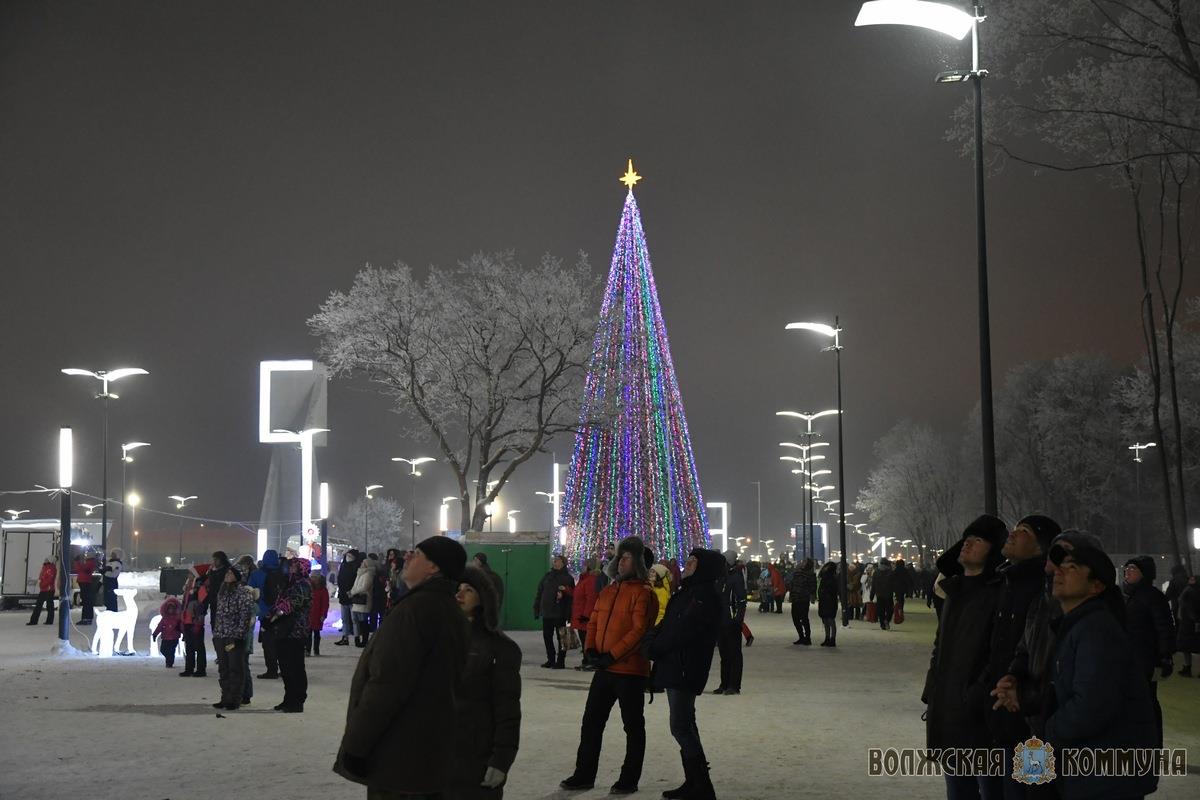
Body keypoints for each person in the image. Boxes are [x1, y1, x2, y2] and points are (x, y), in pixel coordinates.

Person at [333, 536, 470, 798]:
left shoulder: (415, 610)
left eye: (416, 554)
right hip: (426, 750)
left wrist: (356, 745)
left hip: (398, 753)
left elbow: (387, 684)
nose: (407, 557)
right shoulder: (446, 608)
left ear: (434, 567)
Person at [1043, 539, 1159, 800]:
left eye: (1071, 567)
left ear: (1096, 586)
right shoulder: (1077, 625)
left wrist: (1046, 731)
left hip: (1105, 774)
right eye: (1059, 565)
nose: (1058, 571)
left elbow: (1090, 706)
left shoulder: (1096, 630)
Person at [559, 536, 657, 794]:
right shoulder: (609, 590)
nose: (620, 562)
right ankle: (584, 774)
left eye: (626, 558)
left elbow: (637, 632)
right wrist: (590, 649)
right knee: (591, 722)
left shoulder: (643, 594)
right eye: (619, 557)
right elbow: (594, 621)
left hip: (629, 671)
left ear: (637, 563)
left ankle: (629, 778)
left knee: (633, 726)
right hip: (604, 669)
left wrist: (612, 655)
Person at [921, 514, 1006, 799]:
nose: (967, 544)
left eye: (977, 540)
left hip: (978, 711)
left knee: (991, 789)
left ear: (993, 550)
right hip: (949, 706)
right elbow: (940, 646)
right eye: (966, 538)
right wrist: (933, 686)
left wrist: (975, 693)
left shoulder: (998, 594)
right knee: (958, 790)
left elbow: (998, 652)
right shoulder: (954, 592)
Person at [979, 514, 1059, 799]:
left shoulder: (1045, 592)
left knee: (1030, 790)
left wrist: (1020, 691)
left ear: (1041, 547)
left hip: (1031, 721)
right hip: (1004, 711)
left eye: (1023, 531)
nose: (1012, 534)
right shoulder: (1007, 582)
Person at [647, 548, 725, 800]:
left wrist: (654, 647)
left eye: (693, 561)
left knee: (680, 726)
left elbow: (682, 630)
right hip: (677, 665)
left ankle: (701, 785)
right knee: (686, 724)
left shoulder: (703, 597)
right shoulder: (689, 592)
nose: (688, 564)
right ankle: (694, 781)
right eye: (689, 560)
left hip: (685, 667)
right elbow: (670, 623)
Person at [447, 566, 522, 800]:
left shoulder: (501, 649)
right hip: (437, 752)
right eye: (458, 589)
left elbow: (507, 710)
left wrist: (501, 759)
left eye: (468, 590)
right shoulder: (441, 637)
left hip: (475, 755)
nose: (459, 595)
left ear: (486, 599)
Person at [1122, 555, 1175, 746]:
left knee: (1147, 700)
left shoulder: (1152, 597)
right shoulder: (1125, 596)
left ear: (1144, 574)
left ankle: (1151, 744)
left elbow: (1164, 627)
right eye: (1126, 568)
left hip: (1145, 659)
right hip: (1127, 659)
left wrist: (1165, 655)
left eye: (1133, 569)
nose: (1127, 572)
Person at [268, 557, 312, 712]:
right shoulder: (289, 583)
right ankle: (288, 699)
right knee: (286, 667)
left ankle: (297, 701)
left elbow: (291, 605)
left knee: (295, 667)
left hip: (296, 631)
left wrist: (276, 613)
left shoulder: (303, 585)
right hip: (284, 630)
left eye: (294, 565)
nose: (291, 567)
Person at [212, 564, 255, 710]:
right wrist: (216, 632)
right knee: (223, 669)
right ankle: (225, 697)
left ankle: (234, 699)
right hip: (220, 635)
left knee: (235, 669)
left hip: (234, 637)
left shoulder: (243, 593)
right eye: (227, 572)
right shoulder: (222, 591)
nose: (227, 575)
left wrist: (238, 635)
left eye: (230, 573)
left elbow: (245, 616)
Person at [712, 549, 746, 695]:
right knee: (724, 655)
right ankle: (724, 683)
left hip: (731, 623)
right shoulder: (721, 578)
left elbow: (742, 601)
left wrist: (737, 619)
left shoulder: (735, 578)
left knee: (734, 654)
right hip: (720, 621)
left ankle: (734, 685)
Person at [533, 554, 575, 669]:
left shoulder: (568, 578)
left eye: (557, 561)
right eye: (554, 561)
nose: (554, 562)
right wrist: (537, 608)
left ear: (563, 563)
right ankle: (550, 659)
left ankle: (561, 661)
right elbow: (540, 592)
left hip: (560, 612)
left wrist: (569, 614)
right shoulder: (547, 576)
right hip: (547, 612)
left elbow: (572, 596)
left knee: (562, 637)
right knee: (547, 636)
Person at [250, 549, 286, 678]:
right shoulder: (283, 573)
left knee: (268, 643)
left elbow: (251, 593)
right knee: (281, 643)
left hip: (265, 613)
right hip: (282, 614)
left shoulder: (256, 574)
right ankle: (284, 669)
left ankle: (271, 670)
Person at [572, 557, 604, 659]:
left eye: (585, 565)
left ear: (589, 567)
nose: (583, 567)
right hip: (581, 614)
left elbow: (591, 599)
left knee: (586, 639)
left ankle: (589, 661)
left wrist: (586, 615)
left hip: (584, 616)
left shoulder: (590, 580)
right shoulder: (584, 579)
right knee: (584, 638)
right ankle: (586, 660)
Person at [179, 567, 208, 677]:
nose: (188, 575)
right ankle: (189, 668)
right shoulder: (188, 587)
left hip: (195, 621)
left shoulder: (200, 588)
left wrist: (198, 622)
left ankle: (201, 669)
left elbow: (202, 606)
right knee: (189, 646)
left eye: (190, 573)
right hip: (187, 620)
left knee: (199, 646)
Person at [334, 549, 361, 646]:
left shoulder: (356, 567)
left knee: (354, 619)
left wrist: (351, 591)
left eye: (350, 556)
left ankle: (356, 637)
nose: (348, 557)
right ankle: (345, 637)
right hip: (344, 596)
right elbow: (340, 580)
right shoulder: (343, 566)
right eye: (347, 555)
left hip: (352, 596)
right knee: (345, 618)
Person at [788, 558, 816, 645]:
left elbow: (813, 587)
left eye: (804, 562)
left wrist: (812, 595)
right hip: (795, 598)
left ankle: (807, 638)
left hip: (803, 599)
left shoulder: (811, 574)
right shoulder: (797, 572)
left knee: (804, 619)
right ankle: (801, 636)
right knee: (795, 618)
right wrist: (791, 593)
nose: (802, 562)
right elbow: (792, 583)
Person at [350, 556, 376, 648]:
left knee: (363, 622)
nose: (361, 564)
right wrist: (352, 592)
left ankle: (364, 640)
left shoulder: (368, 574)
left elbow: (364, 587)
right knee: (357, 621)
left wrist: (353, 592)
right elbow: (355, 585)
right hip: (357, 600)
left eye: (363, 563)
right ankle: (358, 639)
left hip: (363, 600)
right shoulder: (360, 574)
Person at [1177, 574, 1200, 677]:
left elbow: (1189, 607)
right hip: (1191, 621)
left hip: (1188, 622)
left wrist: (1195, 620)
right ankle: (1187, 668)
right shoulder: (1193, 590)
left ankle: (1187, 667)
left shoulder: (1189, 591)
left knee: (1187, 646)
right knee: (1192, 646)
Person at [152, 596, 183, 668]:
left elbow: (181, 627)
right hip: (165, 637)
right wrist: (155, 634)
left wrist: (184, 634)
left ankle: (169, 663)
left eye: (172, 608)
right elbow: (159, 627)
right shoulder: (164, 618)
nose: (171, 610)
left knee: (171, 651)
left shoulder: (177, 619)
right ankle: (169, 660)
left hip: (174, 638)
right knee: (163, 650)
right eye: (169, 608)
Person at [814, 561, 840, 647]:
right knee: (825, 620)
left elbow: (833, 590)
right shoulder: (824, 577)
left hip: (829, 601)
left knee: (830, 620)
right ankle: (827, 638)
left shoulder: (832, 578)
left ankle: (832, 639)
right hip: (824, 600)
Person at [27, 557, 57, 625]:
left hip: (48, 589)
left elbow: (50, 579)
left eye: (47, 559)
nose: (45, 560)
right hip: (44, 589)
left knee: (48, 606)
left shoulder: (51, 568)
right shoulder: (45, 567)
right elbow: (42, 577)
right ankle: (34, 621)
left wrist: (42, 584)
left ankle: (47, 621)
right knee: (39, 605)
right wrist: (40, 583)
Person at [308, 572, 330, 656]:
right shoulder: (309, 588)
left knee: (316, 633)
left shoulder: (323, 590)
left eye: (314, 577)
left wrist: (323, 615)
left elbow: (325, 604)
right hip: (309, 615)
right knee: (308, 634)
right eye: (312, 577)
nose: (312, 579)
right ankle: (307, 649)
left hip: (318, 616)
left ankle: (316, 650)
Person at [74, 552, 98, 625]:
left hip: (85, 582)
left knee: (86, 601)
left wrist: (77, 562)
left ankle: (86, 618)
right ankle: (87, 618)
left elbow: (82, 569)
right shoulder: (89, 562)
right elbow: (80, 569)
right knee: (86, 600)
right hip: (84, 581)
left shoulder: (90, 563)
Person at [871, 558, 894, 630]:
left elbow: (873, 584)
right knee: (890, 609)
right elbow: (894, 584)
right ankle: (887, 620)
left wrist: (872, 594)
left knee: (881, 610)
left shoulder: (876, 572)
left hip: (879, 594)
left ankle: (882, 624)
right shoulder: (891, 572)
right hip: (888, 594)